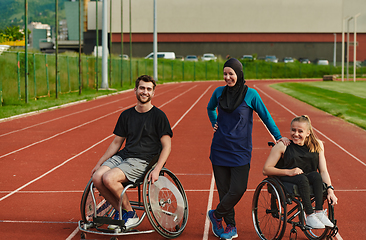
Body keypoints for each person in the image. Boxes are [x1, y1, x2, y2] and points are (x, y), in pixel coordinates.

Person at [206, 58, 289, 240]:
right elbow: (210, 108)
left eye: (231, 74)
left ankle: (216, 215)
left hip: (240, 150)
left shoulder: (251, 94)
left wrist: (278, 137)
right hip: (219, 149)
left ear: (239, 74)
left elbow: (266, 116)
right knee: (224, 191)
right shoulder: (219, 92)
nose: (227, 77)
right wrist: (214, 122)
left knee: (238, 189)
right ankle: (231, 227)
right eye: (225, 74)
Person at [91, 75, 173, 230]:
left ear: (153, 93)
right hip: (124, 156)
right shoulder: (126, 115)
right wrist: (100, 162)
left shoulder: (159, 116)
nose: (145, 92)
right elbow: (116, 142)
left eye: (149, 89)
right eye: (142, 88)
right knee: (96, 177)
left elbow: (167, 146)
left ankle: (130, 214)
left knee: (108, 178)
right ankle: (120, 211)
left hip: (144, 160)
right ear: (135, 90)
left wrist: (157, 170)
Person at [263, 115, 338, 229]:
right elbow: (266, 169)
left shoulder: (317, 145)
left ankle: (319, 211)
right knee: (302, 178)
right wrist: (289, 171)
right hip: (286, 178)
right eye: (293, 130)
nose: (296, 134)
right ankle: (309, 216)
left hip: (305, 178)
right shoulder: (283, 145)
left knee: (316, 176)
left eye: (300, 131)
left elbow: (323, 171)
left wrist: (330, 190)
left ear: (308, 133)